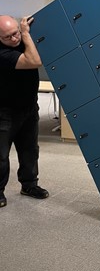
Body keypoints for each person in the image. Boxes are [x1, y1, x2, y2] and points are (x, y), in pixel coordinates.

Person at [0, 15, 49, 208]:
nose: (14, 39)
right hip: (5, 112)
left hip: (29, 107)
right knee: (1, 156)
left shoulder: (21, 40)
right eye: (8, 37)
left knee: (30, 150)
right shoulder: (3, 53)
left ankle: (29, 185)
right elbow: (34, 60)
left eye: (16, 33)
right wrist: (26, 35)